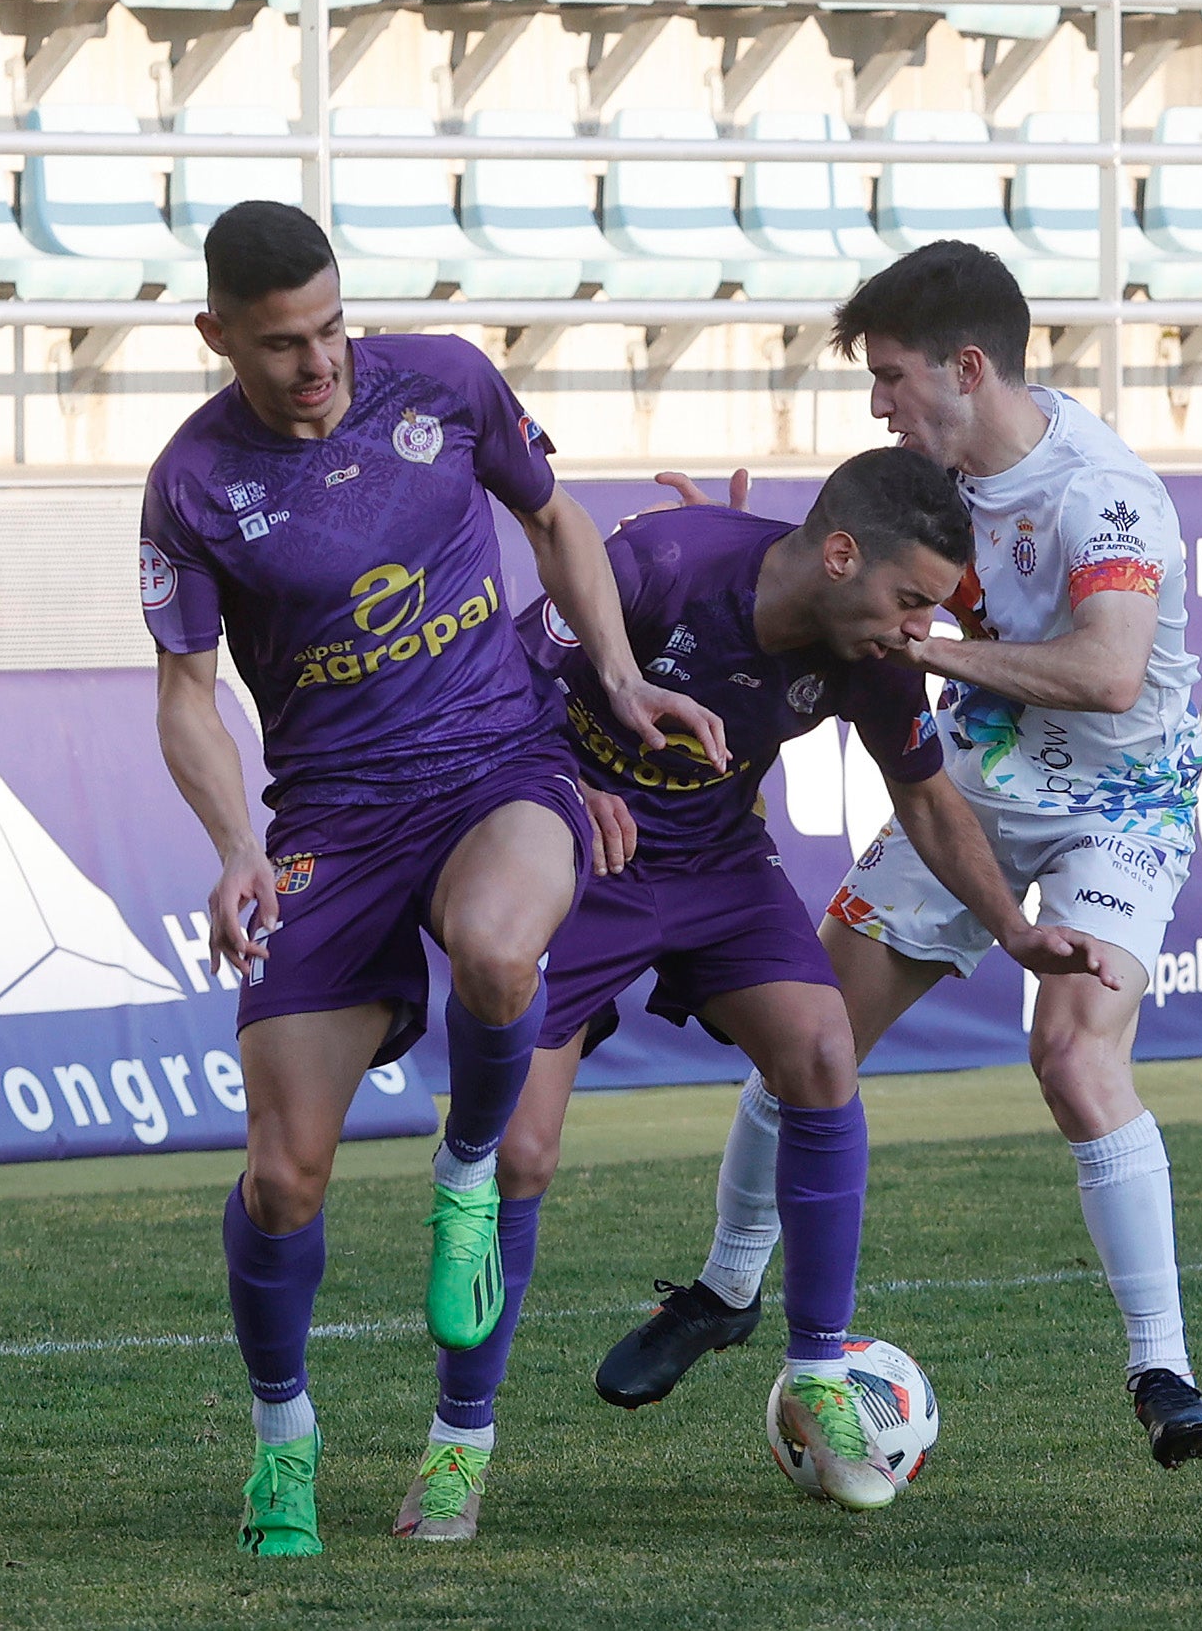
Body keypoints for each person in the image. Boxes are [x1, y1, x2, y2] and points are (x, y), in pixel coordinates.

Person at [392, 445, 1117, 1540]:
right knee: (522, 1154)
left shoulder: (873, 652)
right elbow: (492, 692)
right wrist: (570, 784)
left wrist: (1015, 930)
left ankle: (819, 1366)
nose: (920, 628)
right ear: (837, 555)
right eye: (911, 598)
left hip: (719, 866)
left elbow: (924, 799)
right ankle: (458, 1446)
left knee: (823, 1048)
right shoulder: (660, 567)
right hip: (578, 855)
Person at [140, 200, 725, 1557]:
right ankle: (283, 1447)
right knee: (284, 1177)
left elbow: (556, 518)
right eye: (283, 342)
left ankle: (464, 1199)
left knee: (498, 952)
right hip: (330, 824)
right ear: (217, 333)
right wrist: (235, 849)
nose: (319, 363)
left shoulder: (447, 382)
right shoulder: (190, 482)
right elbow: (183, 696)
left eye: (334, 327)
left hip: (496, 771)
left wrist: (622, 676)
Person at [596, 239, 1202, 1474]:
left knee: (1070, 1047)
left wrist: (923, 653)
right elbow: (844, 561)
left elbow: (1105, 673)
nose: (877, 402)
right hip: (977, 789)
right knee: (810, 1029)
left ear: (968, 367)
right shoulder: (922, 485)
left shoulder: (1099, 492)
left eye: (891, 376)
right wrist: (715, 550)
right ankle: (726, 1289)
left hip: (1123, 798)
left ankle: (1164, 1363)